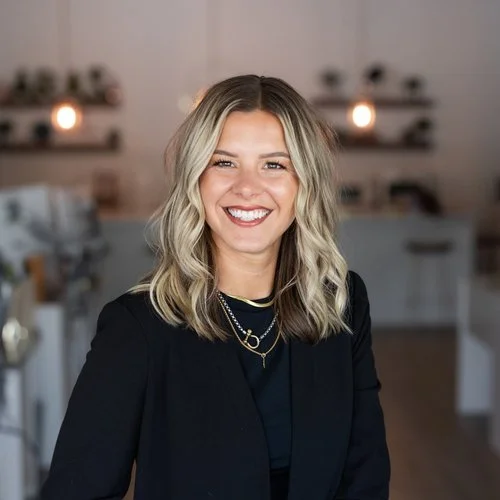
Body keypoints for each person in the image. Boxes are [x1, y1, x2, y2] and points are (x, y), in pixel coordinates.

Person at [40, 75, 390, 500]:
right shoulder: (137, 328)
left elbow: (365, 475)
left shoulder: (342, 304)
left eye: (274, 165)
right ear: (196, 179)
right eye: (224, 163)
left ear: (305, 183)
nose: (247, 187)